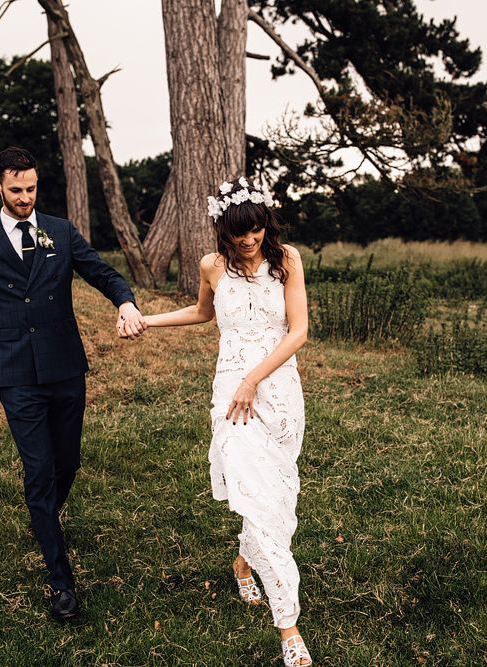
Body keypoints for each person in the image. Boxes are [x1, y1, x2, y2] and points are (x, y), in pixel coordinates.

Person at [0, 146, 147, 620]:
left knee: (66, 462)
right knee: (40, 471)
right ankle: (61, 582)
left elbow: (103, 273)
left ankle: (43, 515)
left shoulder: (62, 232)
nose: (25, 197)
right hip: (17, 376)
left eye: (31, 188)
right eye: (16, 190)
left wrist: (125, 302)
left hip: (67, 368)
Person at [139, 177, 312, 666]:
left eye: (256, 230)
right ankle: (288, 628)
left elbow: (298, 332)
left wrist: (255, 379)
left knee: (277, 494)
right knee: (253, 489)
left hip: (278, 390)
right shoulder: (211, 266)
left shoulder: (288, 261)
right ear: (224, 232)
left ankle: (243, 562)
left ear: (265, 225)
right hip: (231, 396)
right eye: (239, 234)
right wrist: (148, 321)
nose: (249, 241)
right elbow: (200, 313)